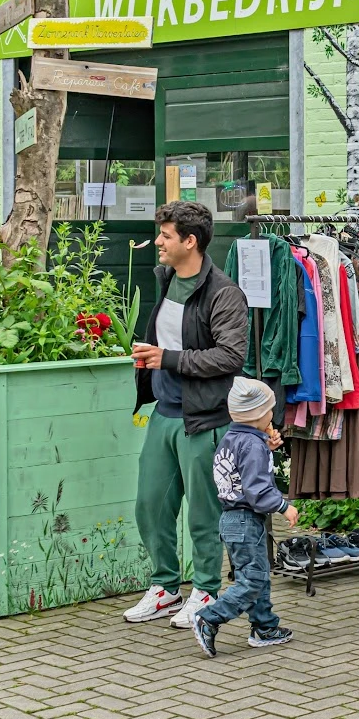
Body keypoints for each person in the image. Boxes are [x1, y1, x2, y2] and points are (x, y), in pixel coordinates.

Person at [126, 201, 249, 629]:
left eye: (165, 235)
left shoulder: (224, 293)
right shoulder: (164, 280)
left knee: (202, 512)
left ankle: (207, 591)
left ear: (189, 241)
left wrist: (169, 359)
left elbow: (231, 356)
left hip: (204, 418)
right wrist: (150, 361)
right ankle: (165, 588)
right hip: (164, 411)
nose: (157, 242)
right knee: (150, 505)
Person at [192, 377, 297, 656]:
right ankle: (209, 617)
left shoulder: (233, 438)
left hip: (232, 520)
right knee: (251, 581)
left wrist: (266, 447)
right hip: (246, 519)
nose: (273, 416)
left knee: (257, 576)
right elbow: (257, 488)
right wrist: (283, 506)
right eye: (270, 411)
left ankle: (264, 627)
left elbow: (241, 470)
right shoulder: (251, 445)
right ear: (260, 415)